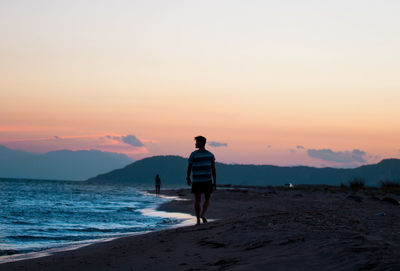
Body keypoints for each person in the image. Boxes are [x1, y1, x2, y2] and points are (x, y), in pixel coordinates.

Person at [186, 136, 216, 225]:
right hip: (207, 180)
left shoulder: (193, 154)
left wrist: (188, 177)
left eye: (197, 142)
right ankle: (202, 215)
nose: (195, 144)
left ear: (201, 143)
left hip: (197, 180)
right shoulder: (210, 155)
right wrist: (215, 181)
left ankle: (199, 219)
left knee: (198, 200)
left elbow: (189, 167)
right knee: (207, 199)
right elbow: (214, 169)